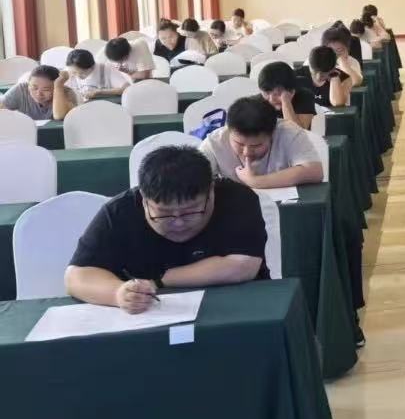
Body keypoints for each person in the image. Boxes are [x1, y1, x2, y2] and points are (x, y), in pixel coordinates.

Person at [65, 145, 267, 313]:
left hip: (238, 309)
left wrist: (160, 281)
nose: (178, 223)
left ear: (211, 192)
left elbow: (243, 266)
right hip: (149, 318)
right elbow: (76, 276)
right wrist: (117, 293)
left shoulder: (237, 199)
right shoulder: (119, 211)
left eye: (190, 212)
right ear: (143, 200)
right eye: (164, 213)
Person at [200, 96, 324, 188]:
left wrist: (255, 181)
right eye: (240, 144)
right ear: (229, 130)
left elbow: (314, 171)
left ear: (272, 133)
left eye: (256, 145)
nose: (247, 152)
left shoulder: (289, 132)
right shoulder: (214, 142)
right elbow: (193, 178)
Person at [258, 60, 317, 131]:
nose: (271, 99)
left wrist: (286, 102)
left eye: (277, 94)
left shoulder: (304, 96)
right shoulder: (257, 102)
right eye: (266, 93)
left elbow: (297, 133)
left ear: (292, 91)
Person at [1, 64, 75, 120]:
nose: (39, 94)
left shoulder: (65, 92)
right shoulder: (21, 89)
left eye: (46, 90)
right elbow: (2, 109)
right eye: (34, 88)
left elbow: (60, 116)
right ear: (28, 83)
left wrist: (58, 86)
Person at [64, 48, 131, 101]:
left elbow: (126, 88)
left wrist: (99, 92)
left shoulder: (106, 69)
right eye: (74, 72)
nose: (77, 76)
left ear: (92, 66)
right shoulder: (70, 72)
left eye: (82, 73)